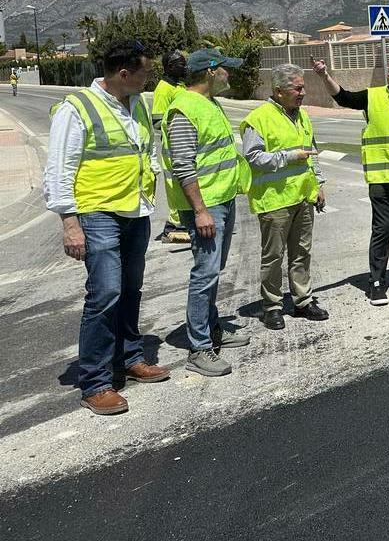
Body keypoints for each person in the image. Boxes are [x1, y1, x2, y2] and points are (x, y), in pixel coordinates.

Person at [43, 40, 170, 416]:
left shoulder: (138, 104)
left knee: (130, 289)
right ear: (124, 73)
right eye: (146, 72)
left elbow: (145, 152)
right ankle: (95, 382)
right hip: (97, 213)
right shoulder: (77, 107)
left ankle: (130, 358)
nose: (150, 78)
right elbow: (59, 168)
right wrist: (70, 222)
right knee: (106, 293)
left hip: (135, 211)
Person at [311, 53, 389, 305]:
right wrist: (324, 75)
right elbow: (343, 97)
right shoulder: (374, 96)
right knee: (383, 229)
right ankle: (377, 282)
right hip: (382, 177)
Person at [163, 48, 252, 377]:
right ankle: (199, 348)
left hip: (222, 198)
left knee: (214, 270)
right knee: (205, 274)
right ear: (211, 71)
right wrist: (200, 211)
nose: (230, 75)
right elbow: (183, 166)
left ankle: (213, 328)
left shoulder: (207, 103)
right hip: (205, 205)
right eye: (226, 70)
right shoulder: (184, 109)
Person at [240, 63, 329, 329]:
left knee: (302, 252)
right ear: (279, 91)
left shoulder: (302, 116)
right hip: (274, 200)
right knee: (273, 257)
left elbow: (311, 153)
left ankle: (302, 301)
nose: (302, 93)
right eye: (297, 88)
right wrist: (289, 157)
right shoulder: (258, 119)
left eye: (303, 88)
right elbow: (253, 157)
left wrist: (319, 185)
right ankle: (272, 306)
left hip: (303, 196)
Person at [151, 50, 190, 244]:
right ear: (169, 67)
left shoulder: (181, 86)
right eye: (180, 64)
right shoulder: (164, 88)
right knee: (175, 186)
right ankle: (174, 225)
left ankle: (183, 221)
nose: (184, 66)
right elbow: (157, 121)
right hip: (173, 145)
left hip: (186, 144)